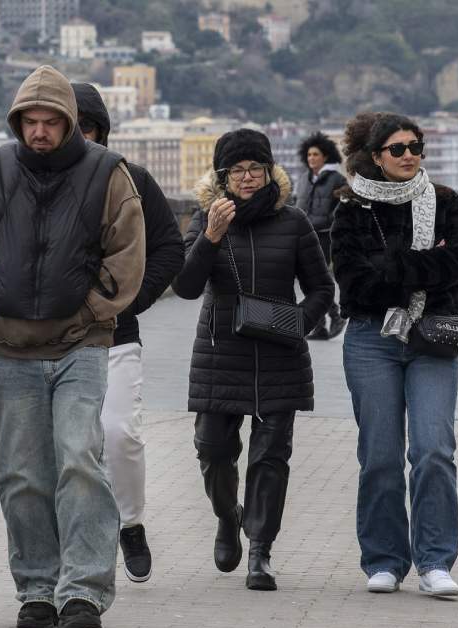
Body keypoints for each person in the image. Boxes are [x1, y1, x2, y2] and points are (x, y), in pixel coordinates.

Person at [0, 65, 146, 628]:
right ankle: (37, 586)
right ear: (18, 122)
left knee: (80, 459)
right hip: (10, 346)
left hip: (81, 343)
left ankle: (83, 590)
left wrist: (91, 310)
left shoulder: (107, 173)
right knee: (20, 472)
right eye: (30, 122)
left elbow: (127, 250)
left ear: (69, 122)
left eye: (50, 121)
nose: (39, 131)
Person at [172, 128, 334, 591]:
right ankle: (228, 517)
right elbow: (184, 287)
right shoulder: (206, 218)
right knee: (212, 450)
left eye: (255, 169)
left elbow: (322, 288)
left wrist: (298, 322)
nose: (247, 178)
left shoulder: (294, 222)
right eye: (237, 171)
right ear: (222, 177)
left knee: (271, 457)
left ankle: (260, 551)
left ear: (269, 171)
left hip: (279, 356)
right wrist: (211, 237)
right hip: (220, 353)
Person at [329, 111, 458, 597]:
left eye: (415, 146)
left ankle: (435, 561)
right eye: (398, 148)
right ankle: (385, 558)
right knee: (381, 456)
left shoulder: (445, 202)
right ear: (375, 155)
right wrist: (422, 265)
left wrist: (391, 265)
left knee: (433, 450)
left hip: (433, 336)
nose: (409, 154)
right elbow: (353, 281)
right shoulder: (350, 208)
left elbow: (455, 264)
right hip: (372, 339)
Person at [72, 82, 184, 584]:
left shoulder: (132, 179)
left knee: (120, 434)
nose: (77, 137)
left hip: (116, 335)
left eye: (86, 127)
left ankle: (131, 522)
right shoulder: (27, 180)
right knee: (69, 449)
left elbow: (169, 248)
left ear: (101, 130)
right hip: (50, 339)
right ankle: (74, 547)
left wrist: (131, 300)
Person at [295, 131, 349, 340]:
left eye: (315, 154)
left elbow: (344, 207)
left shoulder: (337, 179)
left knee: (317, 280)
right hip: (302, 235)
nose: (311, 158)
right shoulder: (303, 179)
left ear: (325, 156)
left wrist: (329, 221)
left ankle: (334, 316)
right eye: (309, 155)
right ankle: (321, 325)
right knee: (309, 282)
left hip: (324, 236)